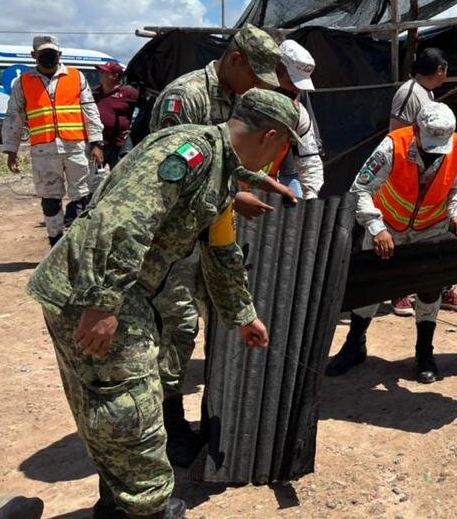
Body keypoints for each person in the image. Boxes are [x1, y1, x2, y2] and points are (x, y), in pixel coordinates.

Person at [25, 88, 298, 519]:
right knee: (131, 410)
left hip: (109, 293)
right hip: (95, 293)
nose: (280, 157)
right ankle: (146, 510)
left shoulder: (221, 172)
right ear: (271, 136)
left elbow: (222, 252)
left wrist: (242, 314)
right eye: (285, 145)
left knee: (114, 407)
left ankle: (118, 506)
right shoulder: (189, 153)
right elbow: (126, 217)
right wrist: (103, 302)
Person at [148, 24, 286, 463]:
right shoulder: (184, 97)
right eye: (257, 74)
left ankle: (213, 413)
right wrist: (236, 194)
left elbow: (226, 156)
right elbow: (167, 175)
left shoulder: (236, 100)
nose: (259, 85)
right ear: (235, 59)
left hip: (211, 229)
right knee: (178, 328)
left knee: (222, 319)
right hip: (175, 239)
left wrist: (261, 181)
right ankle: (169, 429)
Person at [326, 101, 457, 383]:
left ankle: (424, 352)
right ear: (415, 130)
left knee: (429, 290)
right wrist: (377, 228)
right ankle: (355, 344)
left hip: (430, 230)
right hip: (388, 227)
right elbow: (360, 189)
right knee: (371, 286)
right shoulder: (393, 145)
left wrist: (456, 214)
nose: (431, 151)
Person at [388, 47, 457, 316]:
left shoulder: (427, 94)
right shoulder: (410, 92)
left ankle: (441, 288)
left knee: (437, 236)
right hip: (411, 178)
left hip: (433, 176)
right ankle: (400, 290)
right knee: (403, 237)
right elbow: (396, 134)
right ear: (440, 70)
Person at [2, 35, 104, 246]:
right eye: (43, 53)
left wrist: (96, 142)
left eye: (52, 53)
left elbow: (90, 110)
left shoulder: (76, 77)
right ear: (34, 55)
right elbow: (14, 116)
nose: (49, 57)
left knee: (82, 197)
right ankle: (55, 242)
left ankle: (80, 244)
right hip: (43, 152)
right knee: (50, 200)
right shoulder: (23, 82)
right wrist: (11, 150)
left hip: (76, 149)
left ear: (60, 55)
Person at [274, 39, 325, 199]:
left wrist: (311, 196)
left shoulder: (299, 114)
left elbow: (310, 158)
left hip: (277, 177)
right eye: (291, 82)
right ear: (276, 69)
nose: (296, 90)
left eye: (300, 85)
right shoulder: (245, 99)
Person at [92, 61, 139, 170]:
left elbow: (143, 111)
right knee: (95, 177)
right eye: (101, 72)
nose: (101, 74)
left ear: (115, 76)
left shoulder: (129, 93)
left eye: (104, 72)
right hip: (98, 143)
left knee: (120, 175)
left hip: (119, 144)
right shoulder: (94, 93)